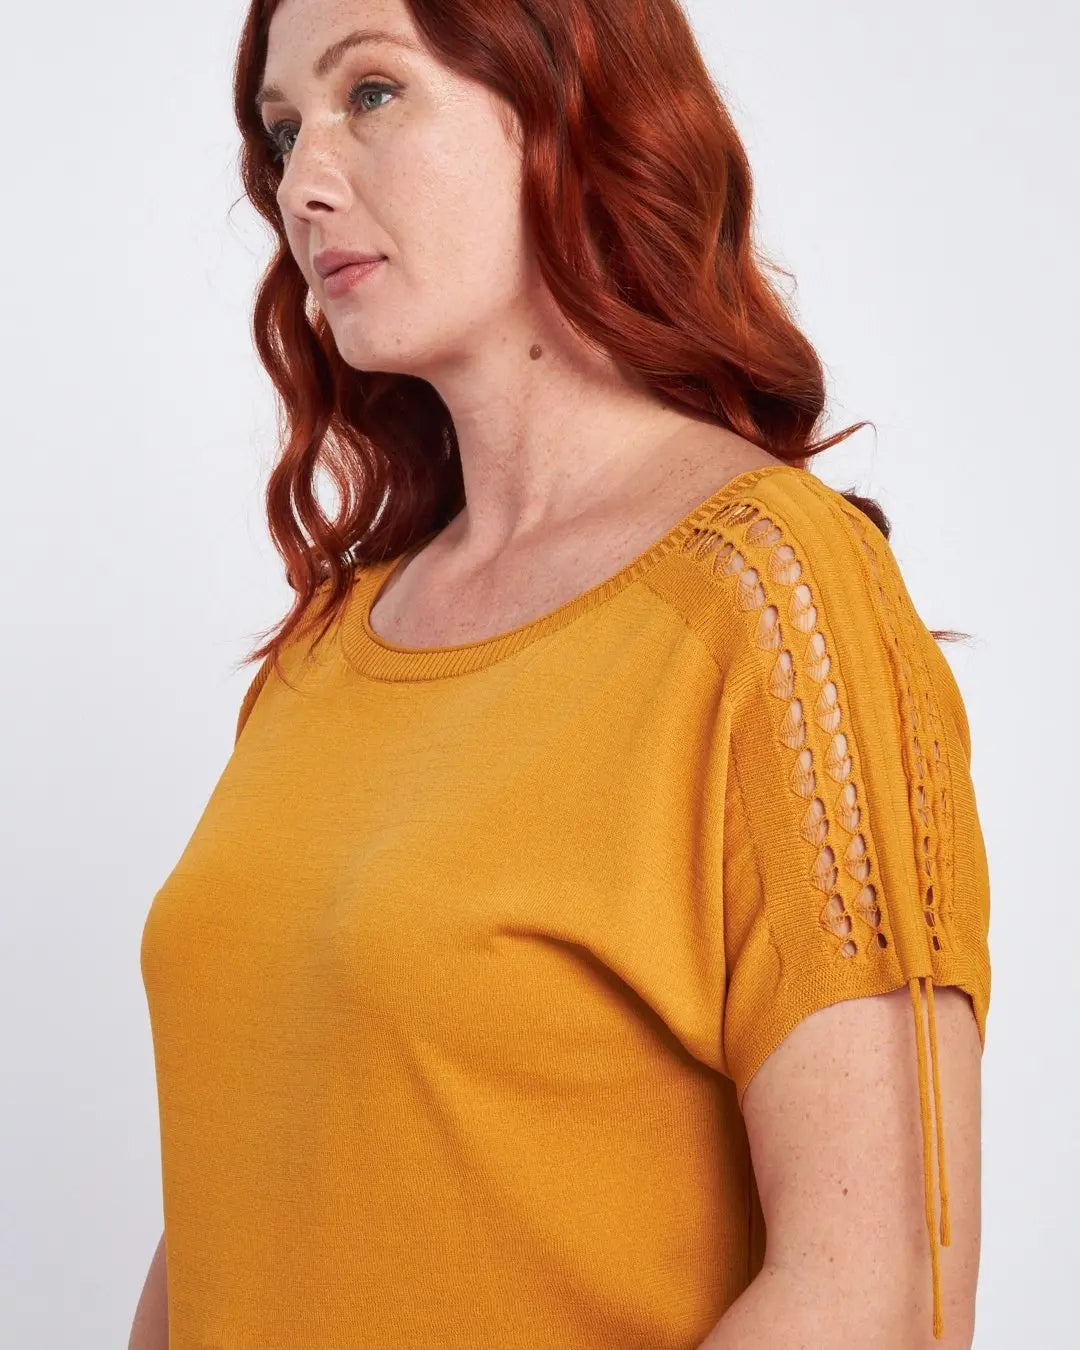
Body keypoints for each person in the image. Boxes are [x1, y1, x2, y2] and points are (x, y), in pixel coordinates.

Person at [129, 1, 992, 1347]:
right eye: (282, 131)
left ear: (568, 106)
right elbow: (235, 1204)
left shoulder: (777, 600)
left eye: (372, 94)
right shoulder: (328, 644)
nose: (300, 184)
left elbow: (875, 1297)